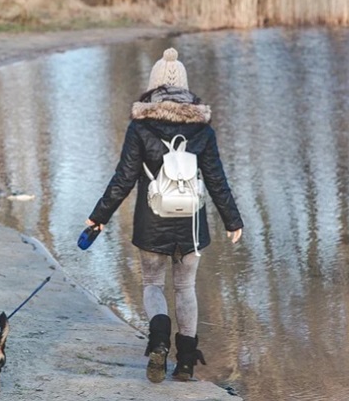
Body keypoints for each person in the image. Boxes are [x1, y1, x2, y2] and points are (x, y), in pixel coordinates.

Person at [86, 47, 243, 383]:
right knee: (186, 288)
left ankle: (159, 339)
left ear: (153, 86)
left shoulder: (140, 127)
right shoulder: (203, 130)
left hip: (152, 221)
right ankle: (185, 363)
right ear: (185, 89)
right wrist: (233, 220)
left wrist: (99, 216)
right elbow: (216, 179)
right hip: (192, 224)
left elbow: (124, 179)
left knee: (153, 284)